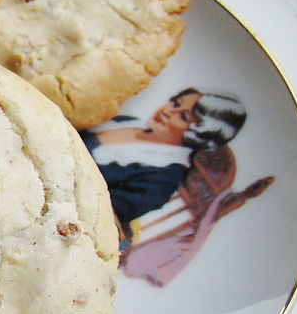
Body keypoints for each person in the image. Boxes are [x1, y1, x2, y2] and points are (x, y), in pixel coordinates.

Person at [80, 88, 247, 230]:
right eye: (175, 103)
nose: (168, 111)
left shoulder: (162, 179)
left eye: (183, 116)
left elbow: (101, 215)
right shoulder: (126, 121)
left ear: (197, 134)